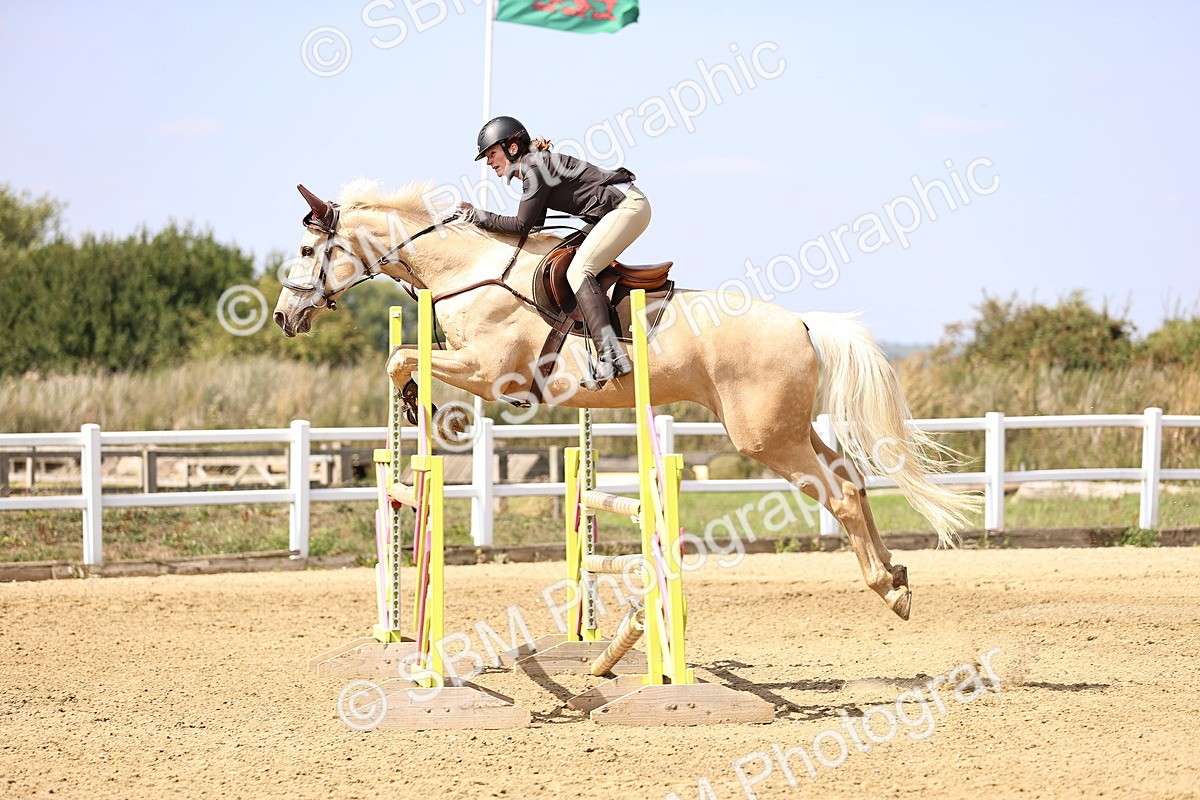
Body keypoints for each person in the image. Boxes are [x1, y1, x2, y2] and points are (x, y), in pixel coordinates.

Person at [458, 115, 651, 385]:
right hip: (615, 210)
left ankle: (611, 356)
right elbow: (535, 225)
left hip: (627, 207)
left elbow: (522, 225)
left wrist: (477, 216)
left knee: (578, 271)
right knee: (566, 257)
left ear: (512, 148)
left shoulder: (534, 168)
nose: (489, 162)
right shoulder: (533, 166)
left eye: (491, 153)